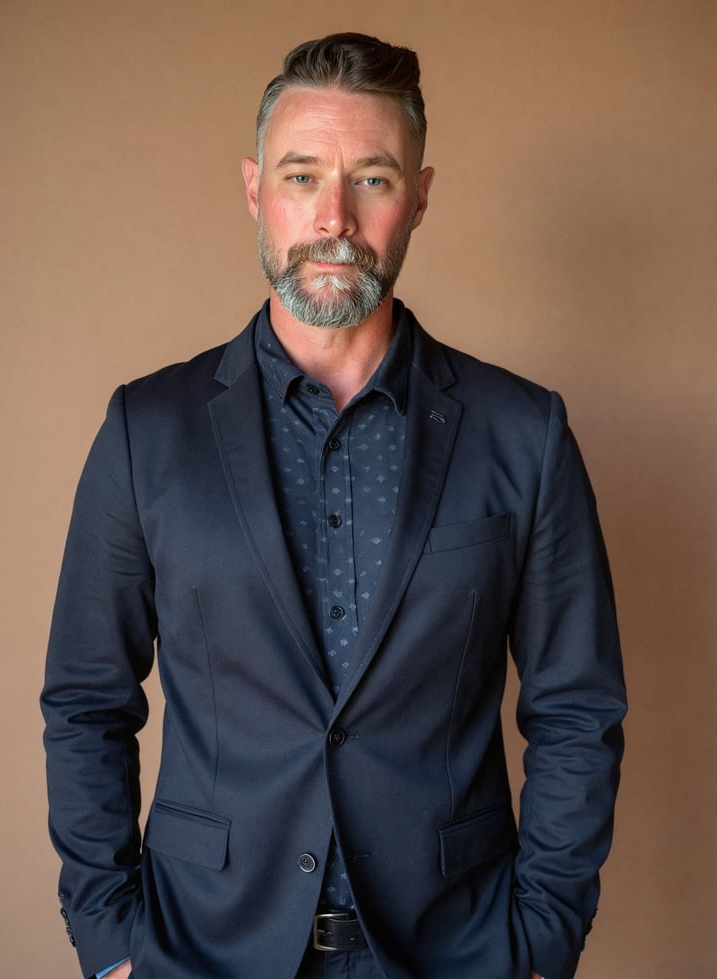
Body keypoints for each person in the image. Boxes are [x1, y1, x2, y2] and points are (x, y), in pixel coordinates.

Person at [42, 32, 626, 979]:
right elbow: (85, 701)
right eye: (303, 175)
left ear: (421, 197)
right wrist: (111, 943)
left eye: (375, 180)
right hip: (201, 950)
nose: (334, 217)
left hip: (458, 951)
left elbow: (576, 708)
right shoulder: (146, 430)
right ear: (253, 189)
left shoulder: (526, 433)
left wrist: (541, 940)